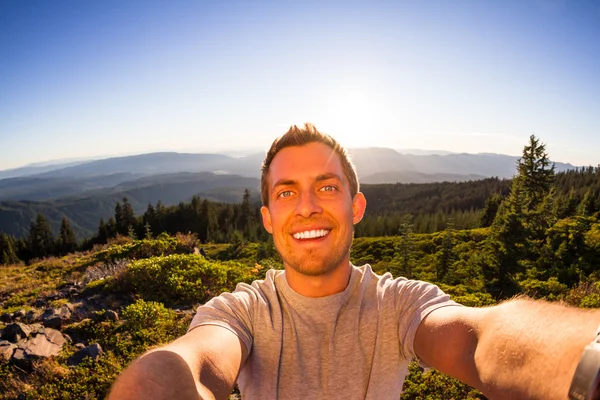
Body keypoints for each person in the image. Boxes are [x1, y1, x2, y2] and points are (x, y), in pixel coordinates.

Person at [109, 124, 600, 400]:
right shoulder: (241, 313)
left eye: (327, 187)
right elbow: (190, 366)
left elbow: (480, 340)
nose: (307, 206)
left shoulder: (400, 304)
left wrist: (588, 364)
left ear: (356, 206)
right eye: (286, 193)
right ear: (267, 217)